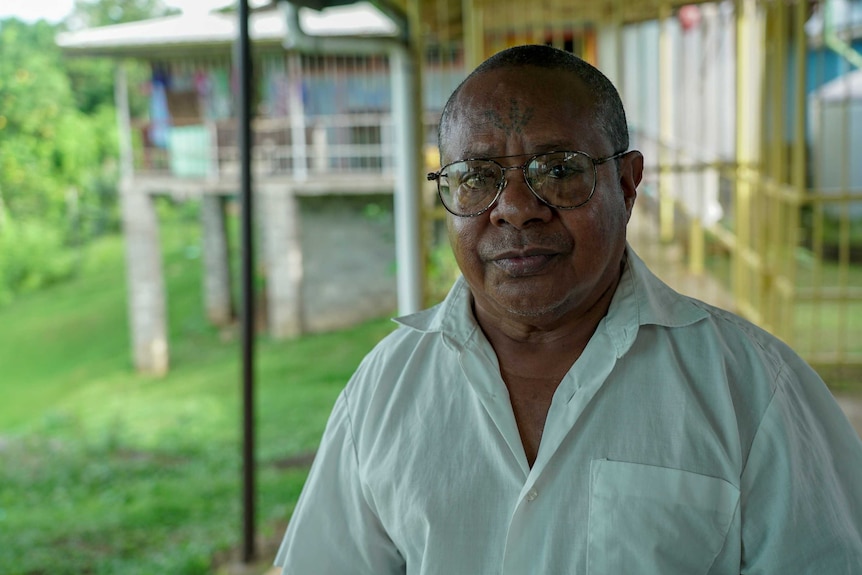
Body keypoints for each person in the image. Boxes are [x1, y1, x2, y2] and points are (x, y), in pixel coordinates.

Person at [274, 44, 862, 574]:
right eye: (476, 177)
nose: (515, 209)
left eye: (558, 171)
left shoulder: (754, 390)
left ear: (629, 186)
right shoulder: (384, 390)